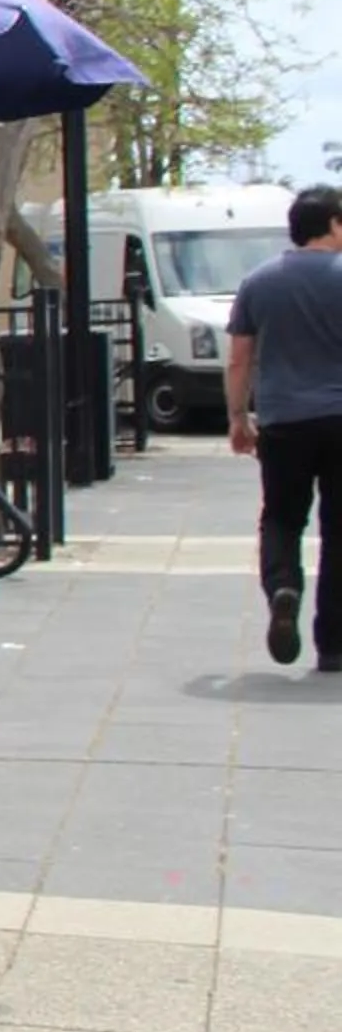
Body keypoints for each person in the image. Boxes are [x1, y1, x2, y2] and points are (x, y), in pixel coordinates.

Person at [225, 186, 342, 670]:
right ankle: (334, 645)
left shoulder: (259, 281)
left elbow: (239, 360)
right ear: (333, 224)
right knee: (338, 531)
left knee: (280, 517)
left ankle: (283, 586)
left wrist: (237, 417)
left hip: (283, 421)